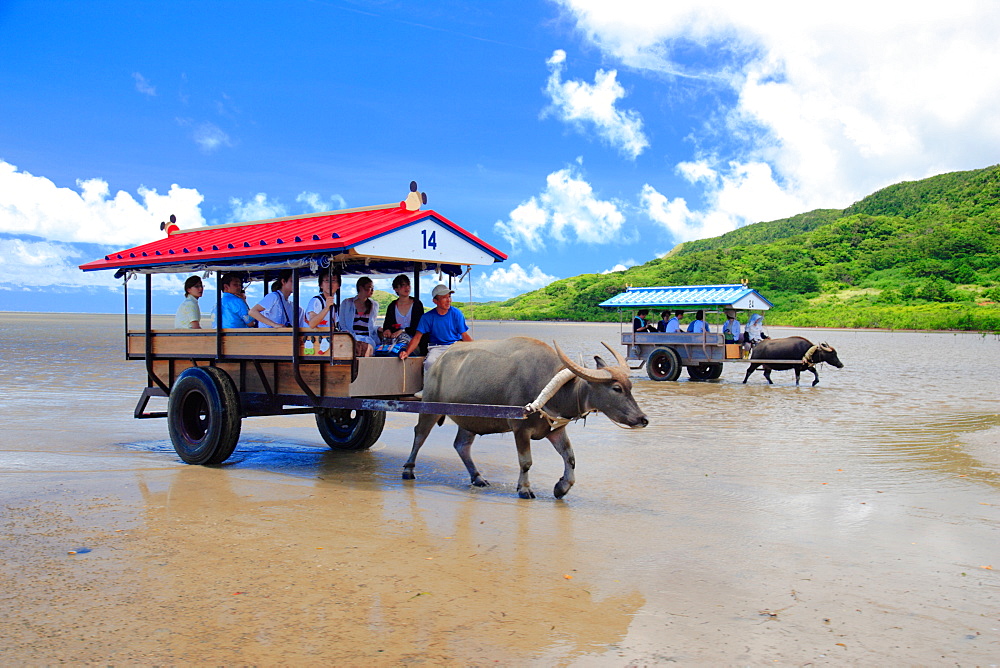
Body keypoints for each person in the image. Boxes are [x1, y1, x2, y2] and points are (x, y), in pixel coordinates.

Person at [399, 284, 472, 371]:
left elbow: (464, 335)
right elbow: (417, 337)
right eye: (444, 297)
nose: (448, 300)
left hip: (455, 345)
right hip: (437, 347)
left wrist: (476, 348)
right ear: (435, 301)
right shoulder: (427, 317)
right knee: (429, 363)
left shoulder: (457, 313)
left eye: (449, 297)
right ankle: (427, 384)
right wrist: (407, 352)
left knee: (460, 365)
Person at [338, 276, 380, 357]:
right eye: (369, 288)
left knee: (367, 348)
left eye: (372, 288)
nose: (372, 291)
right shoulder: (347, 303)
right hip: (352, 338)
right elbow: (342, 325)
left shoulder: (374, 305)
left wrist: (378, 328)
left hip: (368, 339)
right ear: (361, 288)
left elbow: (371, 326)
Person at [380, 274, 424, 348]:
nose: (407, 288)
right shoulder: (392, 306)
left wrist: (403, 331)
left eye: (408, 285)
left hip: (414, 339)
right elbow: (387, 324)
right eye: (403, 285)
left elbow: (419, 326)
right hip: (396, 339)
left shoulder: (417, 304)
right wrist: (387, 330)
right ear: (396, 289)